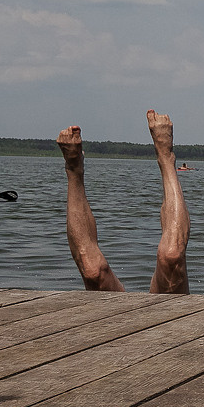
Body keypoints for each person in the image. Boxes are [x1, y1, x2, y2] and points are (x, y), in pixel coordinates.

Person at [59, 112, 190, 293]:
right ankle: (74, 169)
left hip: (165, 316)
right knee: (92, 271)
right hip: (119, 317)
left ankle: (165, 156)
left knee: (172, 255)